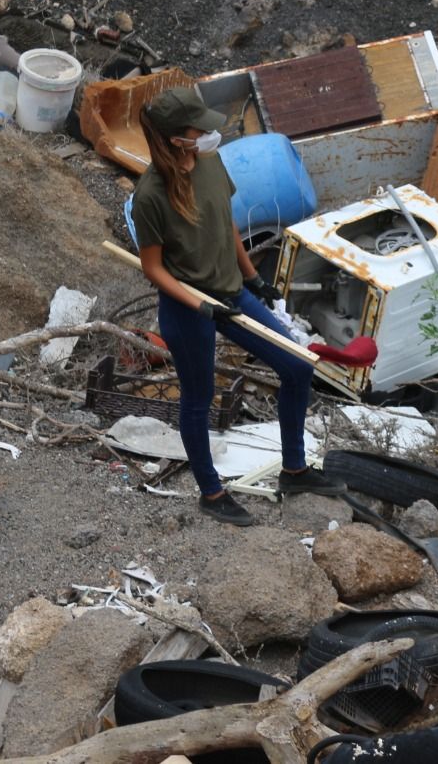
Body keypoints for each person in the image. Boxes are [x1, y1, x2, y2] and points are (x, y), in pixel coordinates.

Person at [131, 87, 343, 525]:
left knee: (298, 367)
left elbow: (225, 220)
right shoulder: (149, 195)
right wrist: (200, 305)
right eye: (199, 128)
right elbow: (152, 268)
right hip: (188, 306)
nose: (210, 133)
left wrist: (253, 278)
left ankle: (294, 470)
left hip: (231, 291)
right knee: (199, 397)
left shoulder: (209, 161)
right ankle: (211, 493)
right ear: (176, 138)